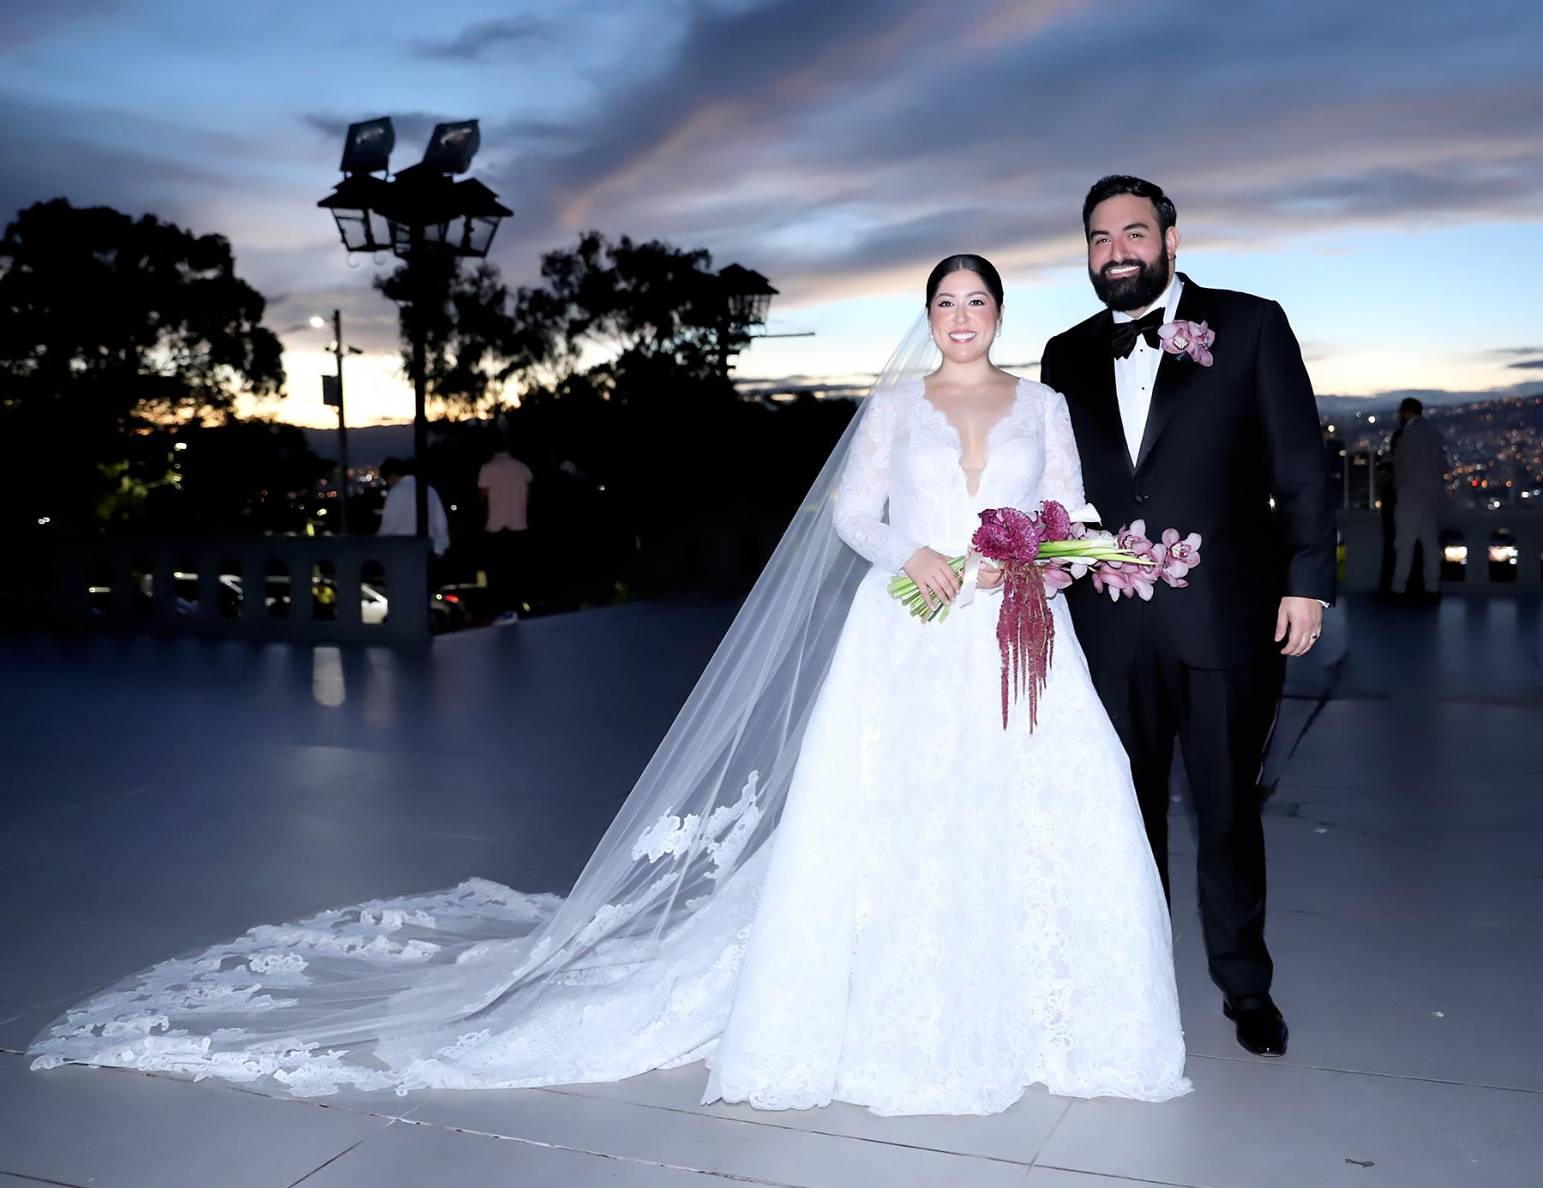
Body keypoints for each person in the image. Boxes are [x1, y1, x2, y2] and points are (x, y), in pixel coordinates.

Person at [31, 255, 1189, 1114]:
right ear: (925, 318)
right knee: (893, 819)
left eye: (976, 303)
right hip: (910, 629)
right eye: (942, 304)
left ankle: (1051, 1017)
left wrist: (1083, 555)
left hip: (1016, 637)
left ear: (1001, 314)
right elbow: (849, 514)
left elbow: (1070, 512)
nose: (959, 319)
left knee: (1035, 810)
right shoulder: (893, 407)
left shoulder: (1042, 405)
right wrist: (918, 553)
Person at [1040, 176, 1337, 1060]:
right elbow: (1058, 491)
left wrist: (1306, 582)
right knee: (1117, 814)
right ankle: (1121, 982)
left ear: (1172, 237)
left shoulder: (1248, 324)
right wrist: (1052, 559)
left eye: (1133, 232)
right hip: (1108, 627)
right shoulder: (1063, 354)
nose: (1116, 250)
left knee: (1225, 812)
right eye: (1098, 238)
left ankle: (1244, 986)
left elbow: (1300, 462)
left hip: (1226, 619)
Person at [1390, 397, 1446, 599]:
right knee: (1430, 544)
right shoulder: (1434, 432)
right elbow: (1442, 464)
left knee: (1405, 543)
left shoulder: (1409, 434)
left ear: (1405, 412)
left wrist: (1398, 486)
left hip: (1410, 495)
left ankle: (1399, 588)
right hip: (1431, 494)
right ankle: (1433, 587)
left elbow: (1402, 465)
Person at [477, 441, 534, 623]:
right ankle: (516, 608)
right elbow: (527, 494)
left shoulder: (487, 468)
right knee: (516, 570)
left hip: (496, 526)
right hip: (519, 526)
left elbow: (482, 496)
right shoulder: (522, 468)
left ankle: (500, 611)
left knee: (496, 572)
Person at [377, 456, 449, 557]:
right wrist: (440, 550)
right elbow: (441, 524)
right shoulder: (430, 489)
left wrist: (376, 546)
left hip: (402, 553)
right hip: (428, 552)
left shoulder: (396, 492)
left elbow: (388, 527)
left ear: (391, 476)